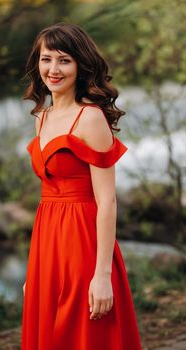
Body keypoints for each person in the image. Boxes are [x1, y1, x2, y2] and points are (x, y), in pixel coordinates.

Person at [21, 22, 142, 350]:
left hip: (83, 240)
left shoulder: (90, 118)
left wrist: (102, 274)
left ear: (80, 65)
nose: (53, 69)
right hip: (48, 236)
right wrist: (34, 270)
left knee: (83, 336)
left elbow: (108, 201)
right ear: (37, 63)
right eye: (47, 59)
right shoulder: (40, 118)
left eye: (64, 60)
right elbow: (49, 191)